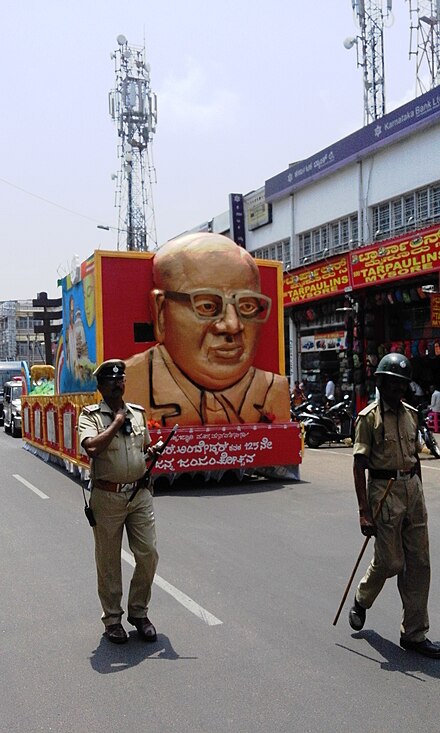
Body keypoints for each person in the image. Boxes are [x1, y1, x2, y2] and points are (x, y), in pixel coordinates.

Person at [124, 233, 291, 426]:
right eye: (208, 306)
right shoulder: (130, 384)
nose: (232, 326)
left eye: (247, 306)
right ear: (161, 312)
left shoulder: (273, 390)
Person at [349, 353, 440, 658]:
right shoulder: (368, 418)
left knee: (420, 564)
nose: (397, 391)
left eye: (402, 385)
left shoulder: (412, 414)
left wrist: (420, 498)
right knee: (390, 562)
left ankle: (414, 634)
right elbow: (359, 464)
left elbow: (414, 461)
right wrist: (363, 511)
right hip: (384, 492)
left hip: (412, 492)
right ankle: (362, 598)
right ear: (381, 383)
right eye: (392, 384)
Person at [78, 359, 161, 645]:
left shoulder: (137, 414)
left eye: (121, 379)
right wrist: (115, 422)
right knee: (109, 562)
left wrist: (153, 452)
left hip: (139, 495)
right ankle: (113, 620)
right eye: (111, 380)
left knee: (148, 552)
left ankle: (139, 612)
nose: (117, 383)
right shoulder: (90, 416)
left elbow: (143, 449)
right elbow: (91, 447)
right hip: (107, 496)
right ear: (100, 386)